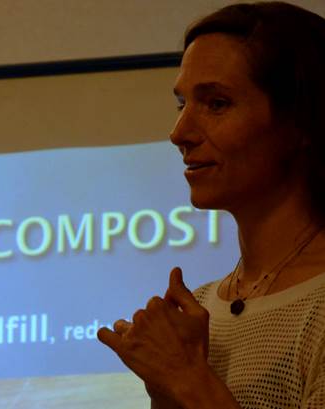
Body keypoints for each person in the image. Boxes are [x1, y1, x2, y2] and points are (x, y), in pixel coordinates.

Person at [97, 2, 325, 408]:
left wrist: (187, 381)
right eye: (181, 104)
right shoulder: (199, 309)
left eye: (216, 104)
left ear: (300, 122)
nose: (179, 133)